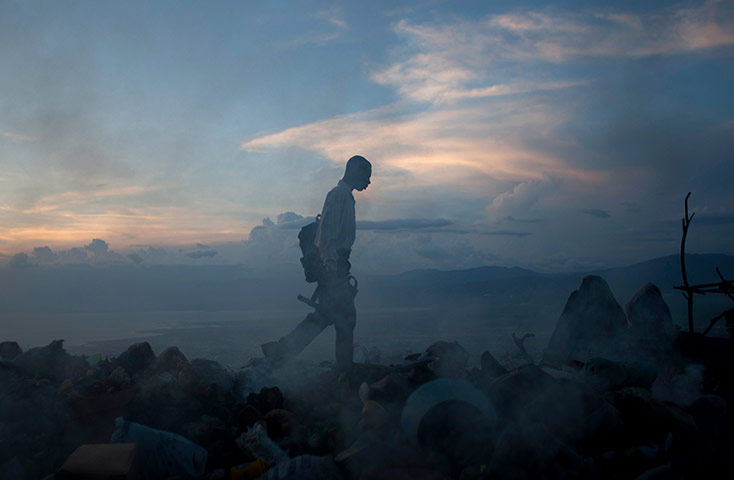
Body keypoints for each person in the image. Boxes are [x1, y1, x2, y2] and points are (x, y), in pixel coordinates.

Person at [262, 155, 372, 369]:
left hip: (337, 265)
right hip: (334, 266)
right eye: (366, 176)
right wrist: (332, 268)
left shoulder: (345, 196)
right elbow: (327, 235)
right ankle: (345, 369)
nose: (368, 182)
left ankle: (280, 350)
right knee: (346, 318)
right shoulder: (338, 195)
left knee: (326, 315)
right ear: (354, 172)